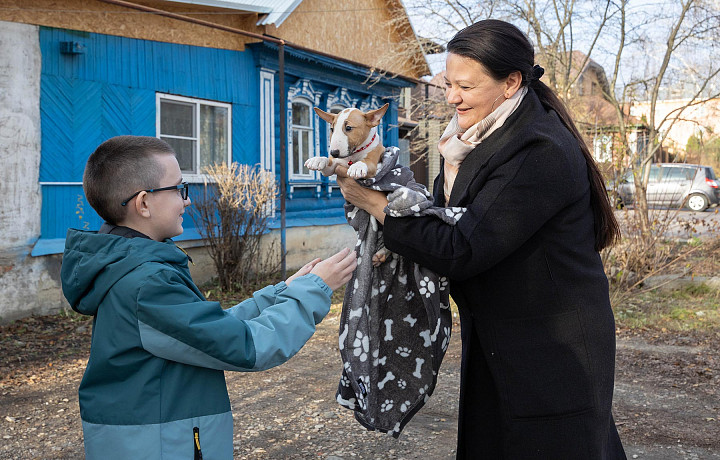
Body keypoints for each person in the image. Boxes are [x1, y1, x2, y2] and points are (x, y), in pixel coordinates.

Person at [337, 19, 626, 459]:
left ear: (510, 83)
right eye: (449, 83)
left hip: (552, 351)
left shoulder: (538, 150)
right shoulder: (469, 143)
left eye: (465, 87)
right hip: (501, 335)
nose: (451, 96)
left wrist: (373, 203)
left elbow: (462, 247)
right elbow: (437, 218)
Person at [61, 135, 357, 460]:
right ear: (143, 203)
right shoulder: (145, 283)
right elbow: (249, 346)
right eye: (178, 189)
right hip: (156, 446)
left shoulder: (134, 267)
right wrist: (314, 290)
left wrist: (283, 292)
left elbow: (208, 329)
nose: (186, 200)